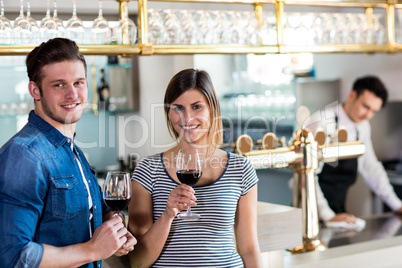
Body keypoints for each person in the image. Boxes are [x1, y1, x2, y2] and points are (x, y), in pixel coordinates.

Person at [0, 38, 136, 268]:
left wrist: (114, 234)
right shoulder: (24, 155)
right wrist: (92, 250)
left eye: (78, 83)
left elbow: (83, 219)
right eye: (59, 85)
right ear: (35, 90)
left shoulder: (71, 150)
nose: (73, 95)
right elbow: (13, 256)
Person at [128, 68, 263, 267]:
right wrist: (168, 215)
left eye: (197, 107)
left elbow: (249, 249)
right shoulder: (147, 170)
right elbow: (138, 261)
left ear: (212, 109)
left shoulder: (241, 169)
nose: (187, 118)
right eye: (178, 108)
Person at [307, 75, 402, 224]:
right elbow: (306, 175)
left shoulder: (362, 126)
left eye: (373, 111)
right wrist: (327, 215)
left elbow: (371, 168)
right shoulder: (322, 123)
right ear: (352, 95)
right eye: (366, 107)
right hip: (310, 210)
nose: (368, 115)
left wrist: (397, 205)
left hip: (338, 209)